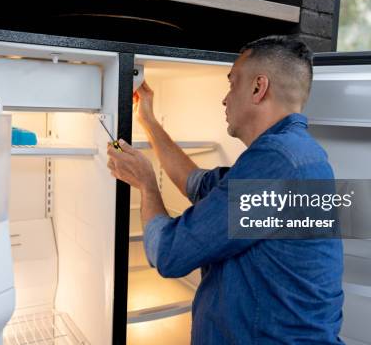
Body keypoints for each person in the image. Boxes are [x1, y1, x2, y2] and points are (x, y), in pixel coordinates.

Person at [107, 35, 344, 344]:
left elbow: (169, 253)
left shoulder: (277, 161)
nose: (225, 98)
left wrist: (146, 185)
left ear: (259, 88)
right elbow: (198, 183)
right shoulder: (296, 155)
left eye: (233, 83)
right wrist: (149, 121)